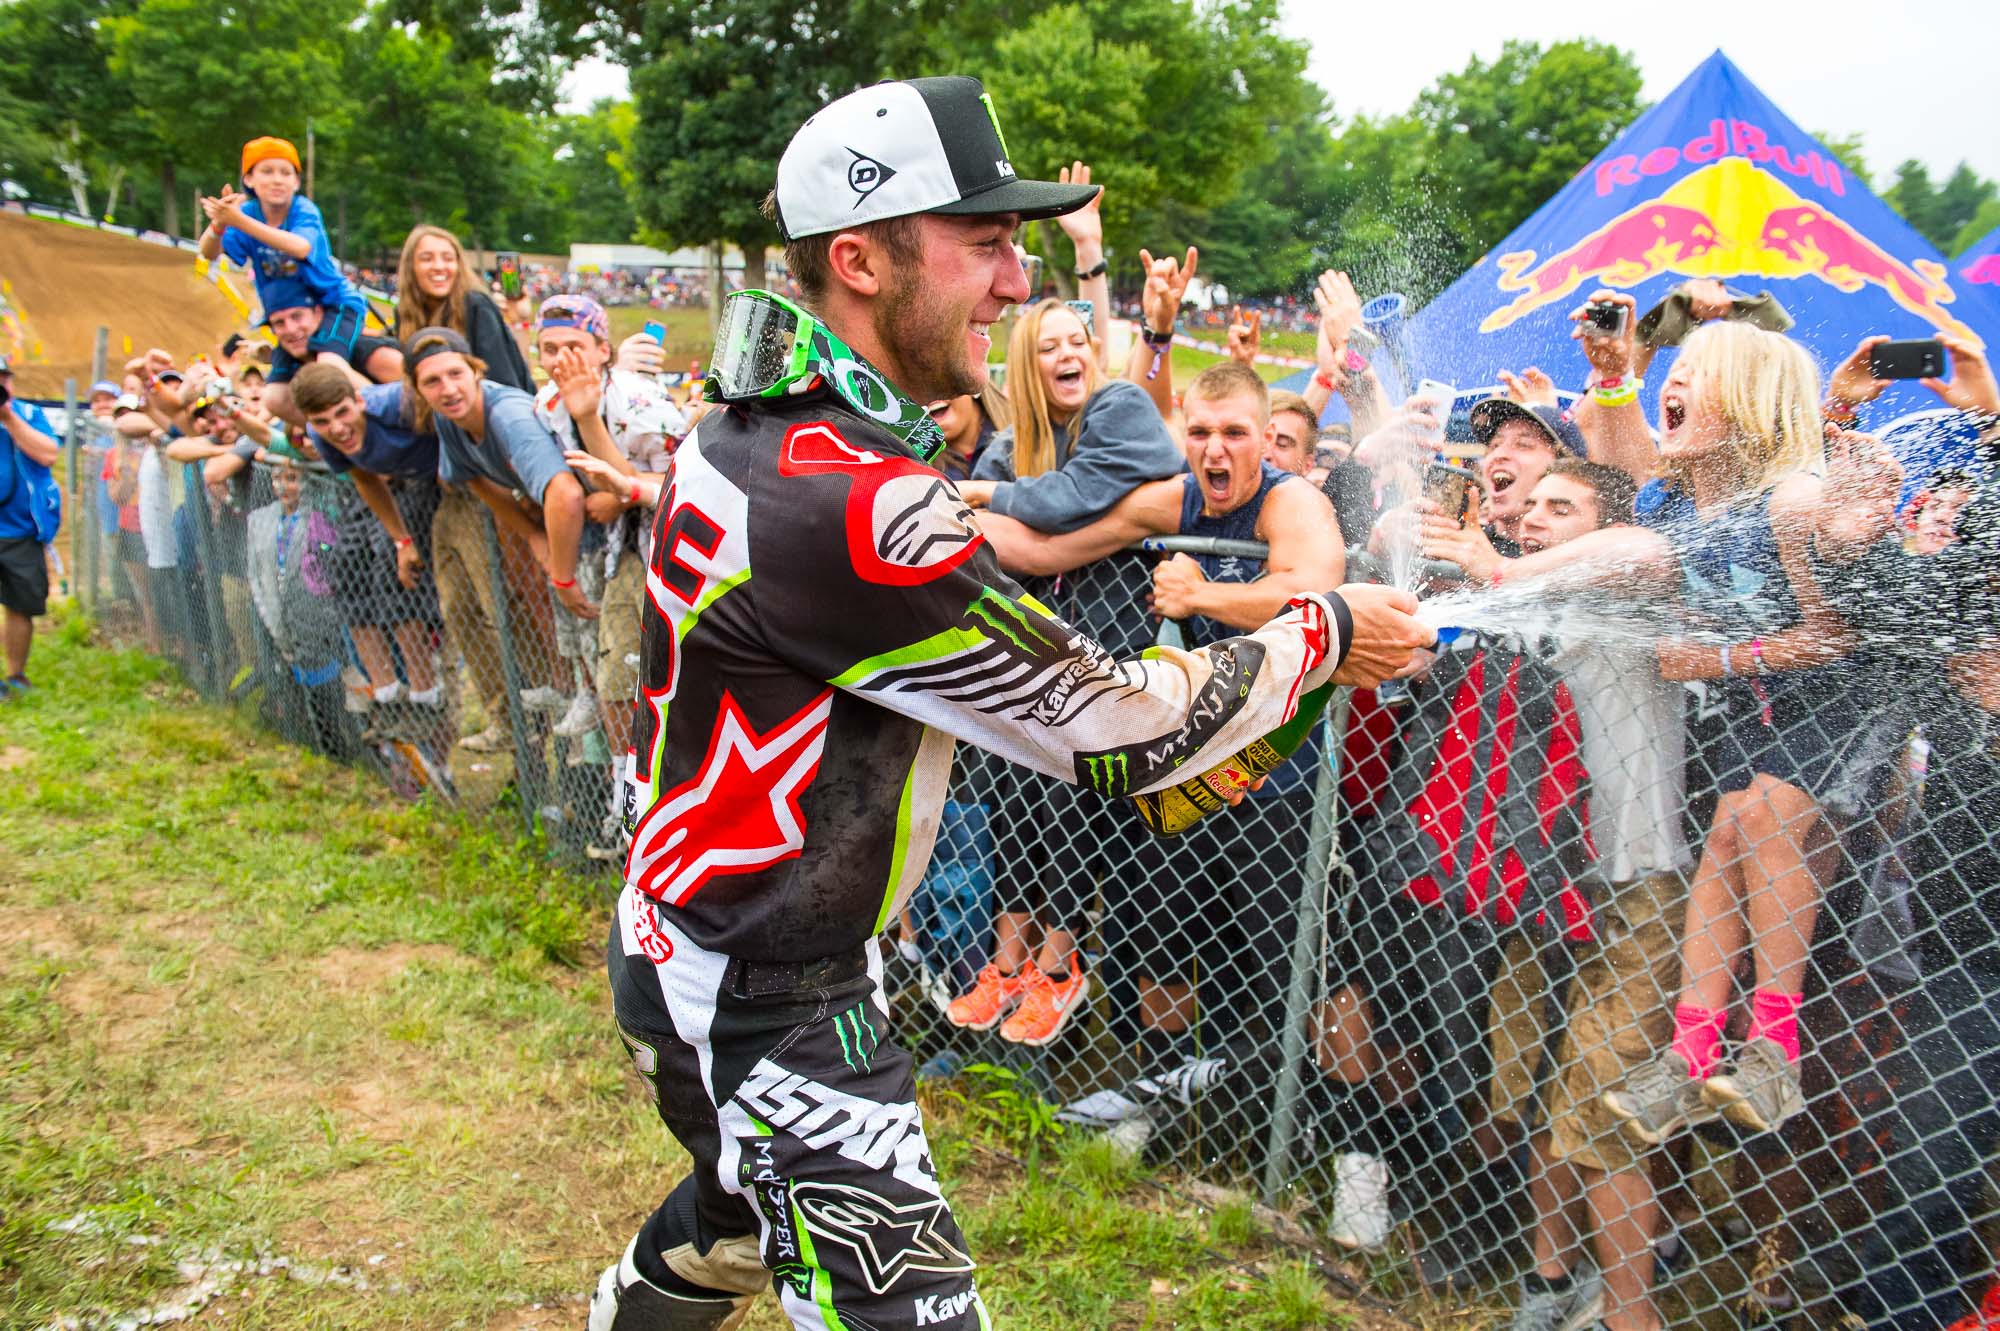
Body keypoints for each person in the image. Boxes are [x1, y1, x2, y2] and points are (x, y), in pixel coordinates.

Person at [588, 74, 1425, 1331]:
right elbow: (1122, 729)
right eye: (982, 244)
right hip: (763, 987)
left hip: (718, 942)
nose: (1015, 282)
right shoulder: (857, 499)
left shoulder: (749, 425)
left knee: (732, 1226)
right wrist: (1325, 630)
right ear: (861, 259)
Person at [1423, 322, 1872, 1145]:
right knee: (1718, 857)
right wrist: (1618, 379)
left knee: (1751, 823)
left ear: (1744, 402)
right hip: (1759, 699)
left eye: (1697, 374)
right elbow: (1626, 498)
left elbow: (1836, 635)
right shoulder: (1679, 501)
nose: (1679, 380)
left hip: (1836, 701)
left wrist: (1718, 656)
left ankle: (1774, 1052)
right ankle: (1692, 1056)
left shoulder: (1793, 497)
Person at [978, 361, 1345, 1143]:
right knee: (1160, 946)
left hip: (1268, 781)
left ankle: (1278, 1127)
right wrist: (948, 514)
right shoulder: (1172, 498)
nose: (1216, 450)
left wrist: (1203, 594)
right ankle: (1161, 1109)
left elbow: (1315, 591)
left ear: (1261, 440)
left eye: (1235, 433)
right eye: (1201, 432)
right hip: (1177, 775)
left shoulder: (1292, 500)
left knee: (1272, 962)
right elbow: (1050, 547)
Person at [1429, 459, 1691, 1331]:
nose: (1534, 518)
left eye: (1561, 506)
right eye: (1529, 505)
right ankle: (1549, 1280)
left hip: (1635, 884)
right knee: (1540, 1087)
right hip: (1540, 880)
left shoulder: (1628, 582)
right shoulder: (1518, 600)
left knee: (1600, 1098)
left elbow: (1647, 549)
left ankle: (1629, 1311)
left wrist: (1499, 563)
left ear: (1603, 520)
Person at [949, 294, 1188, 1045]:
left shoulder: (1118, 407)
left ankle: (1058, 967)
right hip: (1026, 664)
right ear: (1026, 363)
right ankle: (1009, 962)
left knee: (1072, 811)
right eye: (1047, 346)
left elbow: (1070, 498)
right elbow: (985, 535)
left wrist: (999, 498)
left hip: (1107, 658)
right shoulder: (1015, 440)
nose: (1066, 355)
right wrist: (1013, 505)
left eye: (1076, 340)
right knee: (1015, 801)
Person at [197, 137, 396, 423]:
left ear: (296, 182)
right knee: (275, 397)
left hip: (334, 305)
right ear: (249, 179)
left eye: (285, 172)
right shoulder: (248, 214)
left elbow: (300, 246)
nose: (277, 180)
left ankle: (388, 417)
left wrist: (238, 221)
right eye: (267, 171)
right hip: (290, 316)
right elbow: (208, 251)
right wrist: (219, 224)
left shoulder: (302, 210)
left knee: (329, 366)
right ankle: (330, 436)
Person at [289, 364, 445, 711]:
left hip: (449, 481)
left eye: (342, 413)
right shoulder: (322, 439)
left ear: (359, 400)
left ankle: (429, 692)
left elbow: (455, 428)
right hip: (406, 482)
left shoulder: (398, 405)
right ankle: (390, 694)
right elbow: (365, 479)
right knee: (373, 570)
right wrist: (402, 541)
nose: (337, 429)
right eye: (322, 422)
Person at [395, 224, 534, 392]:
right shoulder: (403, 313)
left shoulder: (475, 304)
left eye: (448, 258)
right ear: (411, 266)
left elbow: (502, 382)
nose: (439, 266)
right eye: (427, 258)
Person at [0, 357, 59, 694]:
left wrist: (9, 419)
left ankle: (16, 676)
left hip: (21, 529)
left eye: (2, 380)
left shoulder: (30, 415)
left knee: (21, 606)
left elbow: (48, 455)